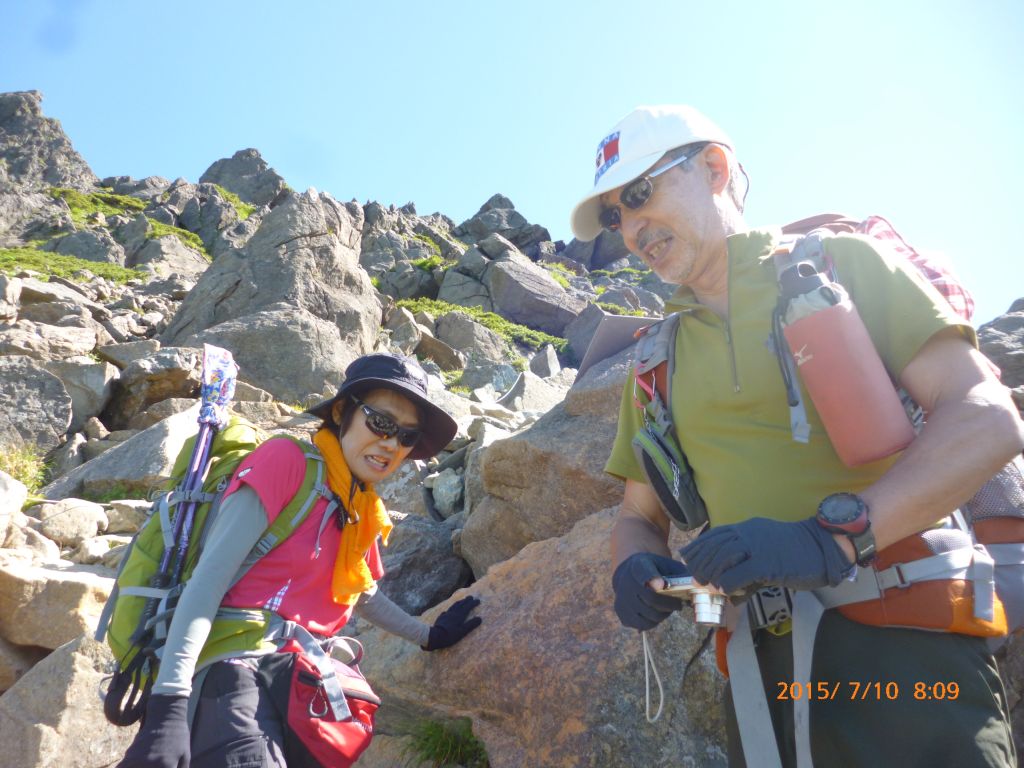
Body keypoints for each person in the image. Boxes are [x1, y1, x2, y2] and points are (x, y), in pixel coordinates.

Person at [571, 105, 1023, 767]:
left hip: (907, 651)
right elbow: (639, 514)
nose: (631, 230)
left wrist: (832, 540)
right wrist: (634, 566)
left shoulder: (840, 267)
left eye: (639, 194)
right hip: (763, 678)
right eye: (614, 216)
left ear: (715, 168)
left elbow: (986, 416)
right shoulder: (654, 358)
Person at [117, 352, 482, 768]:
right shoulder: (286, 461)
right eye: (381, 423)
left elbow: (359, 592)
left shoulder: (357, 504)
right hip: (233, 669)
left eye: (407, 437)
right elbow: (206, 584)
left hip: (301, 679)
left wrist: (428, 635)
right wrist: (168, 709)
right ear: (343, 411)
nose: (391, 444)